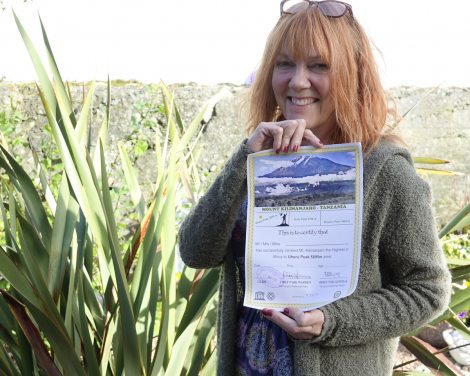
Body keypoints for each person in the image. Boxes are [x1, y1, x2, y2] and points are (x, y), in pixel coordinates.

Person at [178, 1, 452, 375]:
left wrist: (331, 320)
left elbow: (427, 290)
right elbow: (196, 252)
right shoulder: (258, 156)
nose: (298, 81)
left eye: (319, 65)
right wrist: (242, 162)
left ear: (352, 74)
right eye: (284, 63)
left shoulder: (384, 170)